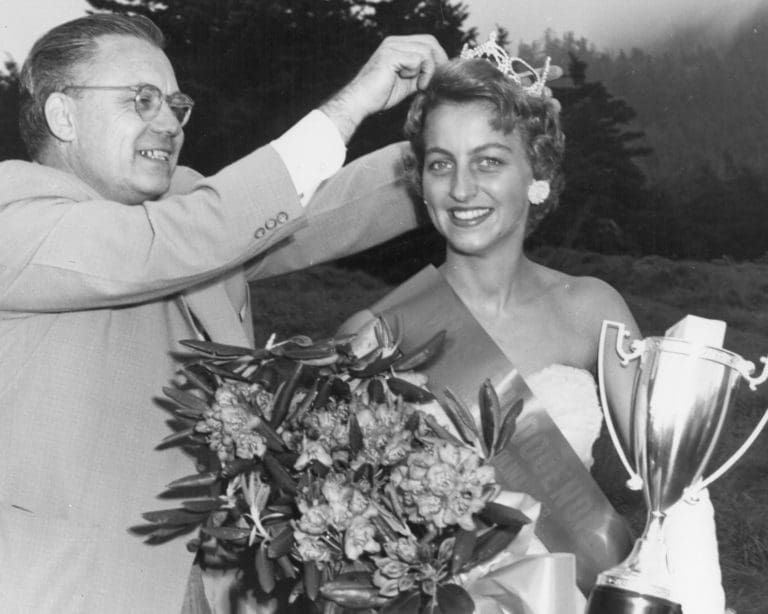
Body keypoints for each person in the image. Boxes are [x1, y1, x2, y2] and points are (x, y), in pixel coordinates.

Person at [0, 12, 448, 614]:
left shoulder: (186, 209)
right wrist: (354, 103)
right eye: (141, 100)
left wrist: (452, 150)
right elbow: (180, 238)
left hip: (212, 587)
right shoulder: (15, 213)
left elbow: (316, 214)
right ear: (63, 116)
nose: (168, 121)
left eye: (175, 103)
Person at [340, 36, 726, 614]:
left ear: (537, 174)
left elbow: (676, 484)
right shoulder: (376, 333)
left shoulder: (590, 309)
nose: (462, 189)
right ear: (422, 182)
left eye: (489, 161)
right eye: (441, 163)